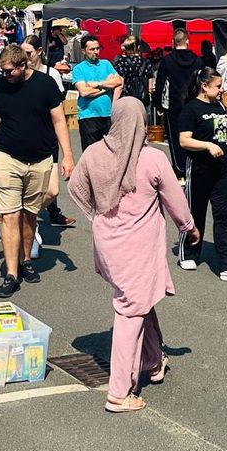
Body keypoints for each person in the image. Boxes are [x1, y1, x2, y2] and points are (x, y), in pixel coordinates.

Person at [68, 98, 200, 414]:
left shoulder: (94, 153)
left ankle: (153, 362)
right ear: (141, 123)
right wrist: (189, 227)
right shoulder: (152, 158)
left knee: (138, 301)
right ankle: (119, 392)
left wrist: (99, 213)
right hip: (138, 247)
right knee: (130, 311)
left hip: (108, 245)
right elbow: (176, 201)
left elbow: (75, 187)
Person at [0, 43, 73, 298]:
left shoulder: (45, 85)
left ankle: (25, 259)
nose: (5, 75)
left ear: (23, 65)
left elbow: (59, 119)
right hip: (8, 157)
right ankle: (11, 273)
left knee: (29, 215)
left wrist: (68, 156)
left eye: (9, 71)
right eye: (2, 71)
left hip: (40, 160)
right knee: (9, 215)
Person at [176, 68, 227, 282]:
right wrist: (208, 145)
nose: (221, 90)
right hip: (200, 169)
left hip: (222, 169)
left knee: (222, 216)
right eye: (218, 86)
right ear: (204, 85)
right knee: (196, 213)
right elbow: (184, 140)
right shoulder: (191, 109)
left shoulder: (219, 106)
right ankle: (189, 252)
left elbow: (221, 132)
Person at [24, 33, 70, 230]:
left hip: (48, 138)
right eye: (22, 53)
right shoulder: (20, 74)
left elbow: (59, 111)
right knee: (28, 186)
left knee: (51, 190)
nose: (25, 57)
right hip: (26, 137)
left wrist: (67, 152)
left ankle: (26, 217)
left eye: (29, 53)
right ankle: (29, 227)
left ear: (39, 52)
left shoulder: (52, 75)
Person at [152, 25, 202, 173]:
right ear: (187, 41)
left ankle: (179, 168)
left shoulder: (167, 61)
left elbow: (160, 83)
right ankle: (192, 165)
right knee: (193, 134)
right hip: (193, 102)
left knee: (175, 137)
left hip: (174, 103)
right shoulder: (197, 60)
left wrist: (158, 104)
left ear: (173, 42)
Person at [71, 35, 123, 150]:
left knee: (109, 152)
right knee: (91, 154)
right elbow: (84, 92)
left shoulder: (106, 64)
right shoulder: (79, 69)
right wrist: (107, 85)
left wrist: (98, 84)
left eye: (98, 48)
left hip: (107, 115)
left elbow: (118, 81)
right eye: (92, 49)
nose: (96, 52)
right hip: (88, 116)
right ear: (84, 51)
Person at [116, 34, 152, 108]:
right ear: (138, 47)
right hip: (143, 99)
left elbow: (120, 85)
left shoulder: (122, 62)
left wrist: (114, 102)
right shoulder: (146, 62)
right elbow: (150, 87)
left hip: (127, 99)